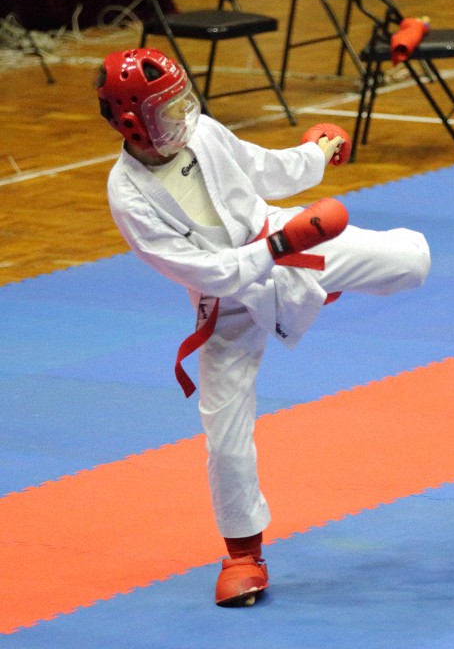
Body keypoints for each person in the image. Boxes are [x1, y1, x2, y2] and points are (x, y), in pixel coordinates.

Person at [97, 47, 431, 606]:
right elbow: (210, 272)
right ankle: (243, 555)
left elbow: (262, 167)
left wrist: (316, 152)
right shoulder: (128, 197)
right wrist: (283, 244)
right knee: (224, 434)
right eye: (167, 111)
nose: (184, 117)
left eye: (183, 102)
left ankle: (308, 294)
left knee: (413, 262)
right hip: (227, 301)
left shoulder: (203, 132)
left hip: (283, 240)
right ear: (132, 123)